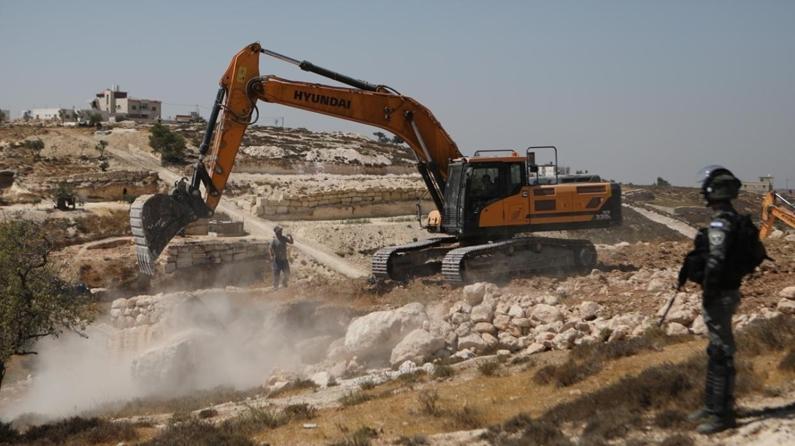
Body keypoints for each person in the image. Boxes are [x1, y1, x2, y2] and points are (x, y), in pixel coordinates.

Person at [681, 165, 747, 434]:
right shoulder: (731, 218)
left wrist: (709, 291)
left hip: (720, 294)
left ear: (713, 191)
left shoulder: (721, 222)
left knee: (721, 351)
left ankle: (722, 415)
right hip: (726, 292)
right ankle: (711, 406)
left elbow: (717, 260)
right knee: (716, 350)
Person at [270, 225, 293, 290]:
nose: (281, 232)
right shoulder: (274, 240)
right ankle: (275, 287)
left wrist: (290, 236)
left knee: (287, 272)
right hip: (277, 260)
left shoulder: (284, 238)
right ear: (276, 233)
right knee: (276, 274)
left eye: (281, 231)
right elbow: (270, 248)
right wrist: (271, 255)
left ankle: (284, 283)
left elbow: (291, 242)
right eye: (279, 231)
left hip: (284, 260)